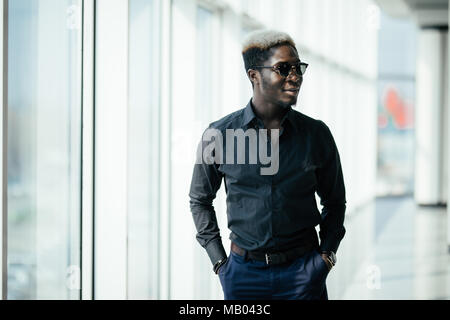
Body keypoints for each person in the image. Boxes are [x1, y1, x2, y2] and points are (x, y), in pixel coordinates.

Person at [188, 29, 346, 300]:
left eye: (298, 68)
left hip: (304, 273)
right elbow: (199, 200)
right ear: (254, 75)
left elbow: (335, 202)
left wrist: (326, 258)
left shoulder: (317, 134)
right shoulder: (218, 136)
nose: (295, 76)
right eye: (283, 68)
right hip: (244, 276)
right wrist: (219, 262)